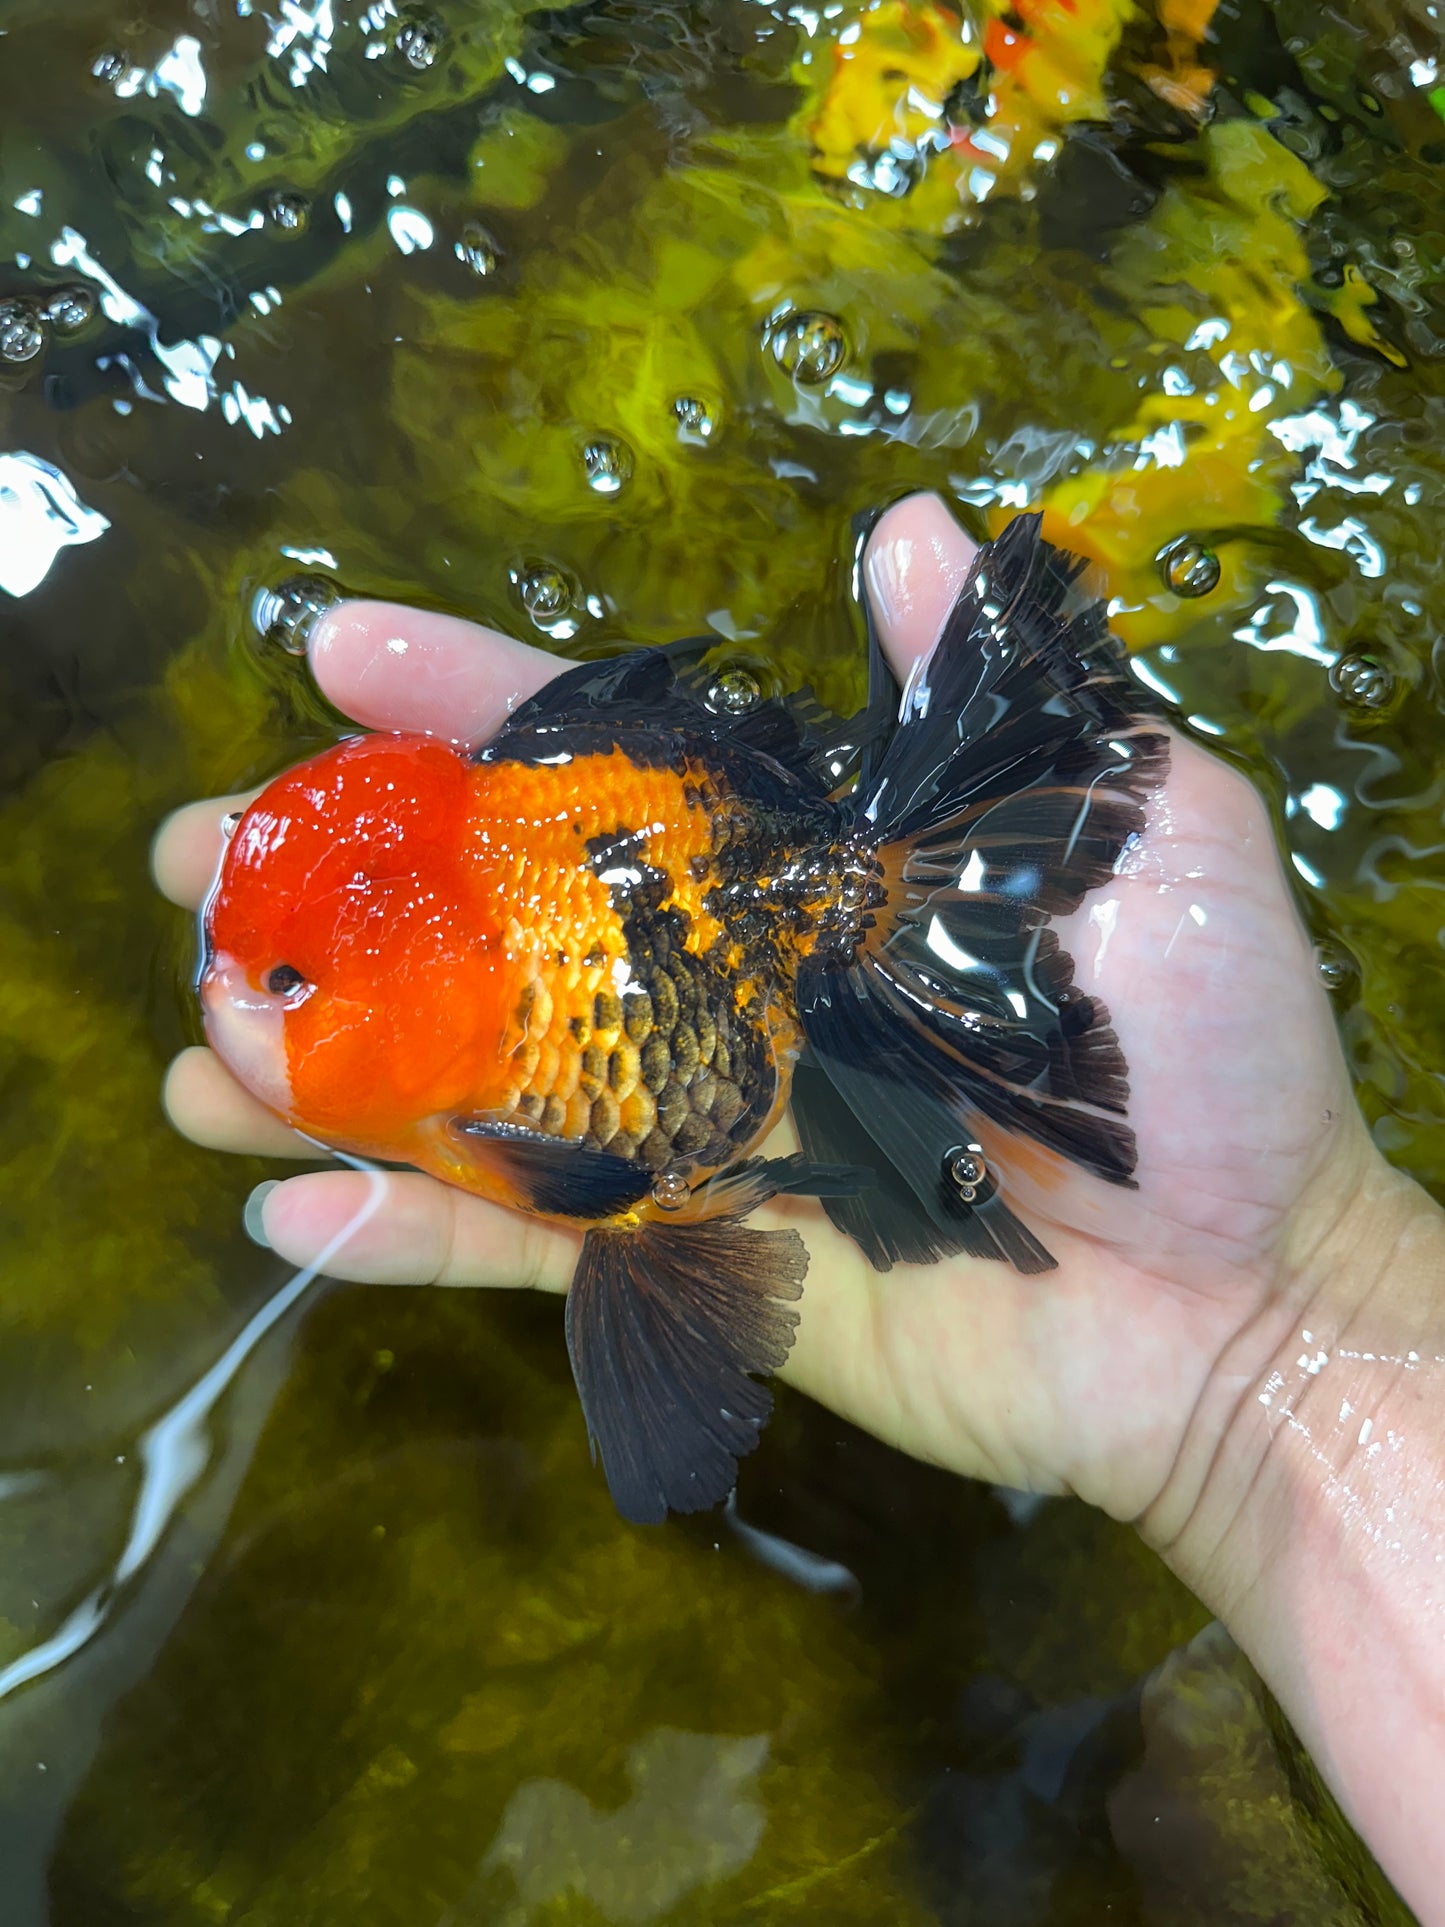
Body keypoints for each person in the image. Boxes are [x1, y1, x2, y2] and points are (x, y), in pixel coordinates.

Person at [153, 491, 1445, 1922]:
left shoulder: (498, 1087)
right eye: (255, 968)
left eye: (281, 984)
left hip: (730, 963)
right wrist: (1278, 1339)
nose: (229, 1002)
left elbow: (588, 1183)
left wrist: (1281, 1316)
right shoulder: (466, 1003)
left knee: (622, 1204)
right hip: (724, 960)